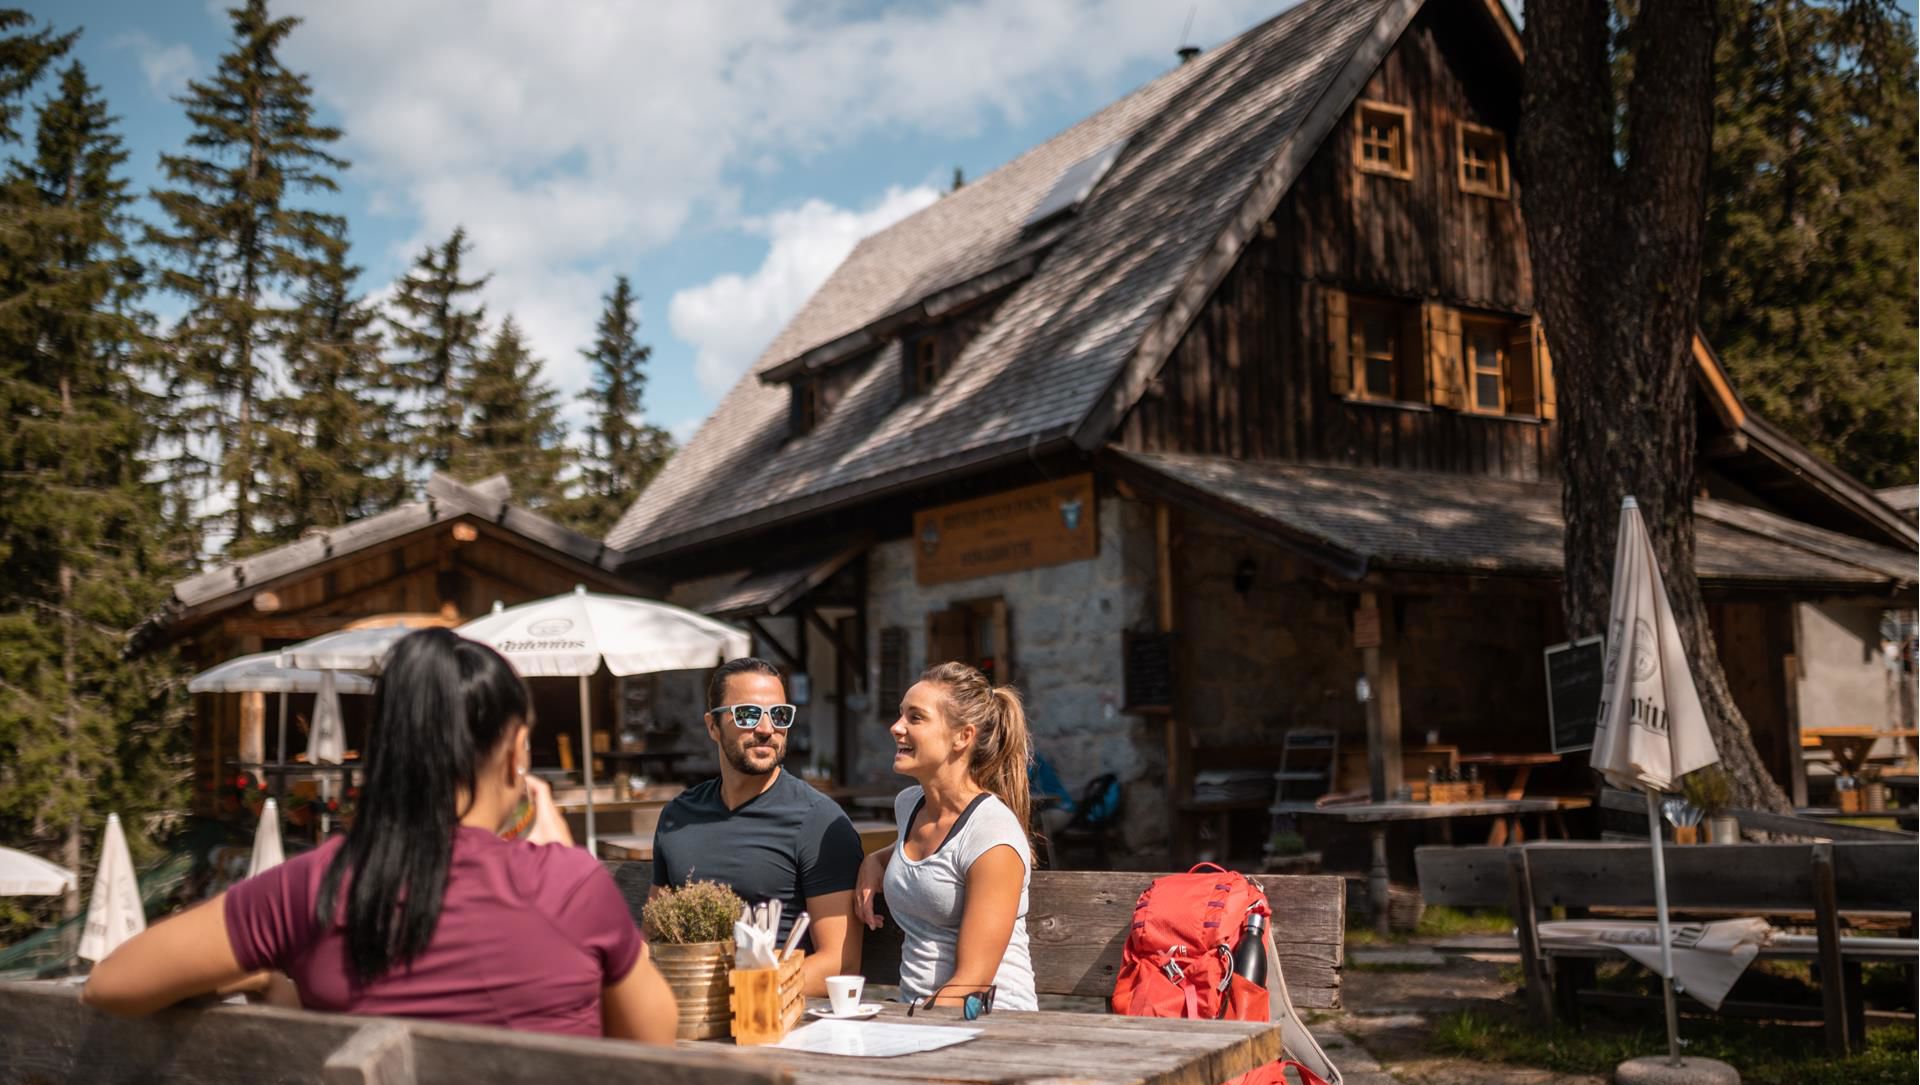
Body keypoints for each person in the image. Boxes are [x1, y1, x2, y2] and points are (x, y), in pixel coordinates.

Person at [83, 628, 678, 1042]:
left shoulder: (313, 885)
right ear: (517, 755)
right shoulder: (570, 885)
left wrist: (266, 973)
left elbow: (110, 984)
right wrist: (563, 856)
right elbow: (651, 1044)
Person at [651, 657, 863, 997]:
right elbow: (656, 934)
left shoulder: (820, 821)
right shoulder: (678, 816)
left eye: (779, 715)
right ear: (713, 726)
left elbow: (840, 963)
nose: (766, 729)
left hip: (776, 1023)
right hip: (685, 1018)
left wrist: (741, 994)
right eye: (747, 714)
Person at [853, 661, 1037, 1011]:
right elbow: (922, 858)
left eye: (915, 718)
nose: (896, 727)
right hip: (922, 1013)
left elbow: (972, 982)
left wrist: (908, 1029)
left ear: (962, 736)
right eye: (900, 715)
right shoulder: (910, 805)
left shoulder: (991, 834)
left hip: (989, 1021)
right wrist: (873, 860)